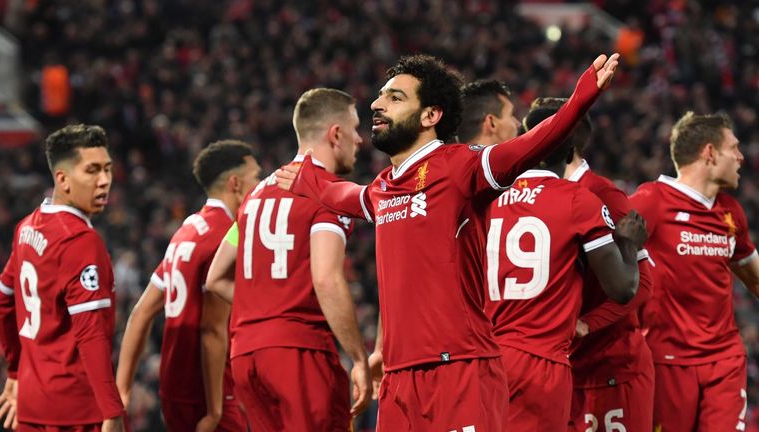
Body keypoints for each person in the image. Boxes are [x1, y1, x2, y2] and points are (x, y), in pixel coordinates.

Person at [276, 53, 620, 430]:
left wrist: (581, 97)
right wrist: (305, 177)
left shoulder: (460, 166)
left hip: (460, 371)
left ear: (430, 115)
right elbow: (341, 195)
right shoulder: (383, 187)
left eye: (394, 97)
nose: (376, 104)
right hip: (399, 379)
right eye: (380, 96)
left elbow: (532, 144)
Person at [205, 88, 371, 432]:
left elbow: (215, 277)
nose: (360, 139)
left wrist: (266, 309)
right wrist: (358, 358)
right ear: (335, 134)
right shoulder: (327, 193)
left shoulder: (254, 196)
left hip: (247, 357)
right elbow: (326, 279)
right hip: (299, 352)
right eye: (355, 129)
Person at [482, 105, 644, 431]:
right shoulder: (578, 199)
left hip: (488, 357)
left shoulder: (485, 199)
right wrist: (628, 244)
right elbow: (623, 288)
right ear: (571, 152)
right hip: (541, 361)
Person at [527, 98, 656, 432]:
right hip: (561, 369)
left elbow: (642, 285)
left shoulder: (602, 194)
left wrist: (587, 323)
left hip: (610, 371)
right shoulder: (533, 195)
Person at [115, 140, 260, 432]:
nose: (260, 185)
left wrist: (121, 393)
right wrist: (217, 408)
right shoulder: (225, 237)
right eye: (255, 177)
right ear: (235, 183)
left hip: (172, 387)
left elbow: (141, 313)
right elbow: (212, 329)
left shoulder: (187, 230)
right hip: (209, 391)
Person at [630, 111, 759, 431]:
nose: (741, 157)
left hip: (725, 361)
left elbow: (754, 277)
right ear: (710, 152)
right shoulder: (652, 201)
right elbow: (602, 254)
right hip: (668, 360)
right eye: (734, 148)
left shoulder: (731, 213)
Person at [0, 124, 125, 431]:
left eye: (107, 169)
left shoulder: (27, 228)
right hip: (79, 412)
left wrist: (15, 371)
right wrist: (112, 411)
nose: (104, 181)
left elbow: (0, 302)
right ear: (62, 179)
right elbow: (90, 333)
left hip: (32, 407)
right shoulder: (79, 242)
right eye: (92, 171)